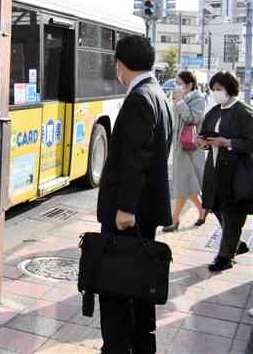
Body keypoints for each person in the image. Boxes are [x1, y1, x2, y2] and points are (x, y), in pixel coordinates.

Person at [96, 35, 173, 354]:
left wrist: (125, 209)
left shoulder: (140, 98)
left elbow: (135, 159)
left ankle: (118, 348)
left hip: (130, 216)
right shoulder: (158, 94)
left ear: (121, 65)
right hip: (146, 212)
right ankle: (141, 345)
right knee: (140, 287)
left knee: (115, 288)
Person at [196, 71, 253, 272]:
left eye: (218, 89)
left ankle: (225, 257)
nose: (215, 93)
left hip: (237, 173)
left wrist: (227, 142)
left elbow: (249, 142)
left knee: (232, 214)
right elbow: (205, 135)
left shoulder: (244, 112)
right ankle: (236, 245)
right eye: (213, 89)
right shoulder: (214, 111)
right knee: (216, 207)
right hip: (215, 169)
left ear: (229, 89)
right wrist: (202, 142)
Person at [163, 70, 207, 231]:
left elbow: (192, 119)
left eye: (180, 83)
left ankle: (175, 220)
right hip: (180, 146)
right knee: (185, 183)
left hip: (190, 149)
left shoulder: (198, 99)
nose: (177, 86)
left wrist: (180, 102)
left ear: (189, 85)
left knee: (185, 183)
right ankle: (201, 210)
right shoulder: (180, 98)